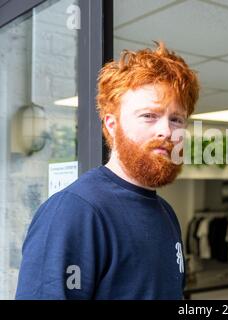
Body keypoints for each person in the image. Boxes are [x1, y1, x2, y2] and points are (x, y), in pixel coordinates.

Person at [15, 43, 199, 299]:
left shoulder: (166, 213)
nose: (166, 132)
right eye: (149, 115)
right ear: (112, 125)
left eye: (176, 119)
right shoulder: (75, 211)